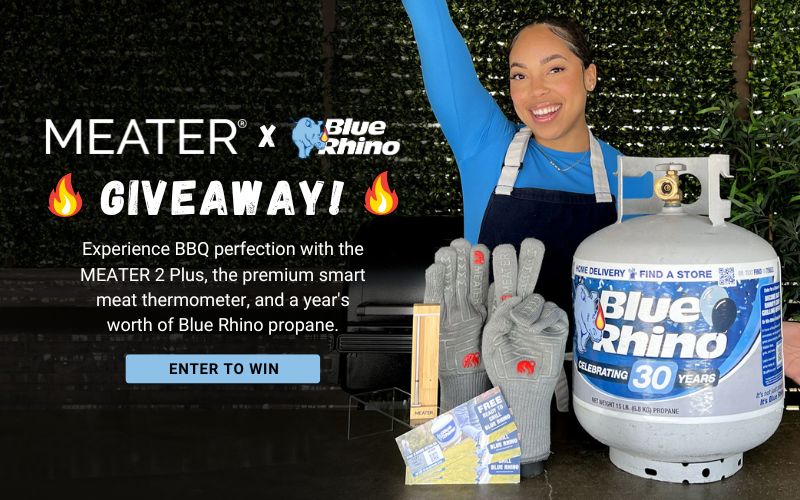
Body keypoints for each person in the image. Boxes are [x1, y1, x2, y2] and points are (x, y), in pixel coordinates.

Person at [402, 0, 650, 321]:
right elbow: (430, 18)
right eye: (520, 75)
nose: (536, 91)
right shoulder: (485, 146)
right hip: (488, 368)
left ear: (590, 76)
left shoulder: (635, 179)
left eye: (555, 69)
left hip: (590, 369)